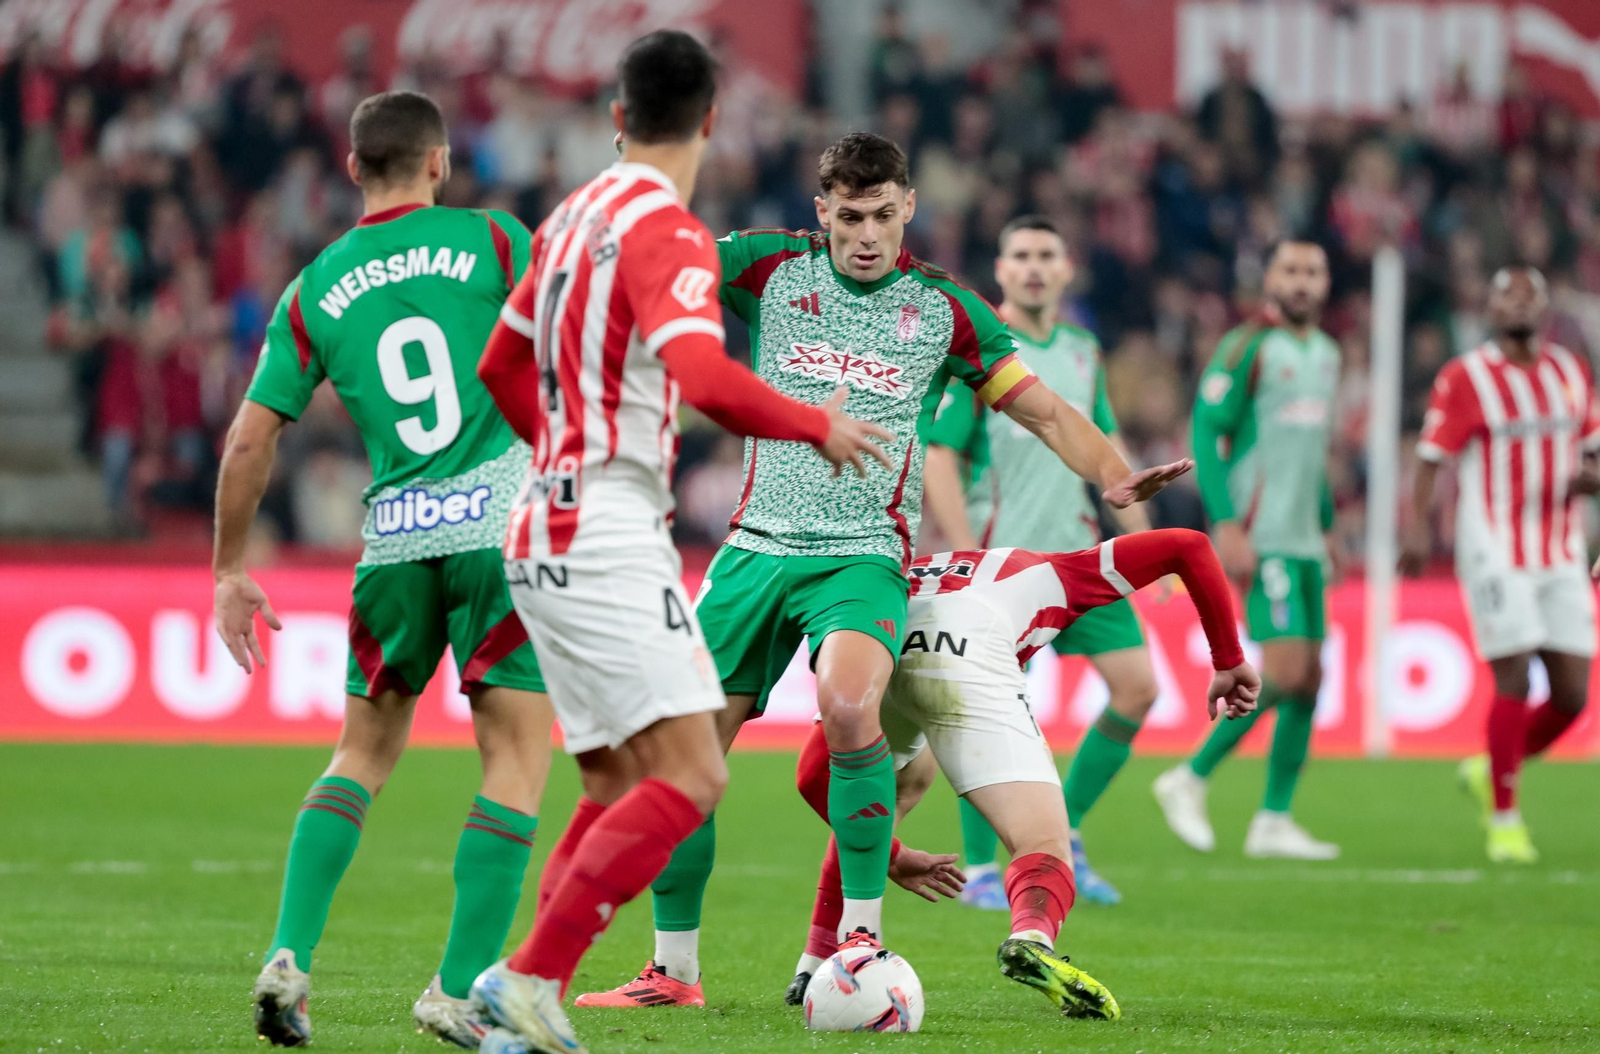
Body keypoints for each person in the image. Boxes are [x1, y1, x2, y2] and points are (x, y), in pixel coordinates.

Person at [577, 130, 1193, 1009]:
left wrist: (1112, 475)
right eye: (849, 216)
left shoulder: (944, 309)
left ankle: (857, 940)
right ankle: (673, 973)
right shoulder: (766, 269)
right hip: (753, 549)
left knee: (849, 704)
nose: (866, 235)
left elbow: (1047, 412)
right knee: (681, 761)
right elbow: (655, 266)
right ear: (822, 211)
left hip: (862, 556)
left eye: (883, 215)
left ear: (909, 208)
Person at [463, 32, 892, 1054]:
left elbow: (498, 365)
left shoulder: (568, 220)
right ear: (709, 120)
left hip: (540, 522)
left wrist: (561, 451)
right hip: (606, 528)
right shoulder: (671, 232)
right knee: (694, 776)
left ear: (616, 118)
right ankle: (528, 977)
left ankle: (515, 994)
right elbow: (700, 376)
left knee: (616, 779)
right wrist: (815, 422)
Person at [213, 91, 553, 1048]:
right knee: (517, 761)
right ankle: (456, 990)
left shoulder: (314, 286)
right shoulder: (494, 240)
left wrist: (229, 568)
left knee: (357, 755)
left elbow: (248, 442)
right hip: (499, 530)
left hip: (394, 538)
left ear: (354, 168)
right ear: (439, 161)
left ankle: (289, 954)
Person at [786, 529, 1260, 1017]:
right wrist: (1228, 659)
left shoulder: (904, 573)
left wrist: (892, 853)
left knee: (878, 787)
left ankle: (816, 961)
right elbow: (1188, 545)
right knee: (1043, 843)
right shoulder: (1056, 571)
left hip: (881, 640)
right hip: (968, 652)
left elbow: (811, 777)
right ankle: (1031, 937)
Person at [924, 214, 1162, 907]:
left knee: (1138, 689)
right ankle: (978, 869)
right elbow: (941, 455)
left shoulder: (1085, 350)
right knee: (983, 715)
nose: (1032, 266)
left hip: (1081, 560)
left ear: (1066, 269)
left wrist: (1149, 547)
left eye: (1045, 255)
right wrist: (968, 552)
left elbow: (1107, 450)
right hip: (1006, 571)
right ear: (999, 271)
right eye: (1019, 255)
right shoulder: (982, 350)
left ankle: (1070, 836)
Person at [1402, 266, 1600, 864]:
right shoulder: (1466, 377)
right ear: (1489, 310)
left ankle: (1492, 770)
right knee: (1512, 672)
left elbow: (1590, 450)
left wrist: (1590, 479)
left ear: (1543, 307)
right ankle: (1506, 820)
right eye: (1505, 295)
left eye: (1527, 295)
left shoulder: (1571, 371)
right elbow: (1432, 457)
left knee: (1571, 695)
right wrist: (1416, 526)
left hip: (1561, 546)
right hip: (1494, 545)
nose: (1516, 304)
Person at [1153, 239, 1344, 860]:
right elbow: (1209, 432)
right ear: (1270, 279)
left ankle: (1274, 820)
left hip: (1305, 538)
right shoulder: (1248, 346)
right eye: (1290, 269)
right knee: (1285, 673)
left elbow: (1308, 456)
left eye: (1311, 271)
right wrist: (1227, 523)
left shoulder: (1327, 354)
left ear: (1325, 282)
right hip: (1264, 536)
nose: (1301, 281)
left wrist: (1326, 524)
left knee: (1311, 679)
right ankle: (1189, 776)